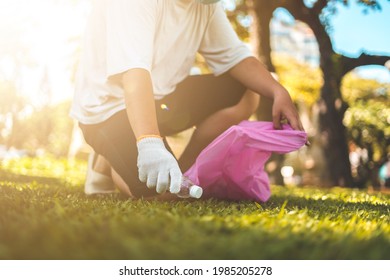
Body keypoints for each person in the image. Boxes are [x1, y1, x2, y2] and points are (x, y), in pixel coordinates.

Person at [70, 0, 305, 199]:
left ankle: (184, 172)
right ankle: (106, 160)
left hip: (161, 100)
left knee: (247, 88)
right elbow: (135, 76)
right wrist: (149, 144)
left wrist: (277, 91)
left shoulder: (205, 5)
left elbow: (235, 56)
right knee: (159, 194)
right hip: (107, 109)